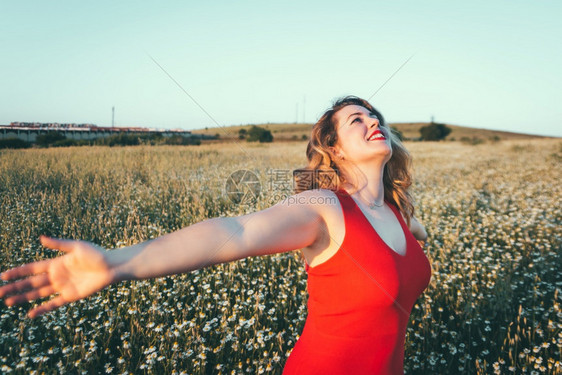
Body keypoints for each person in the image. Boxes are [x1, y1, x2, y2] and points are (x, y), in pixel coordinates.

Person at [0, 96, 431, 374]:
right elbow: (235, 231)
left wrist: (415, 230)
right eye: (357, 119)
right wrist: (117, 262)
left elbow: (408, 241)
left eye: (376, 116)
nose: (373, 121)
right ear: (334, 149)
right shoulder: (325, 208)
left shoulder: (398, 214)